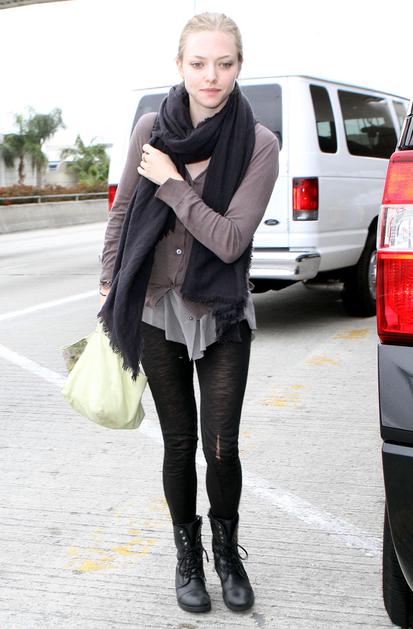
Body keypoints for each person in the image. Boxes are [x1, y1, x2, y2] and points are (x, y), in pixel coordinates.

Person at [98, 11, 279, 614]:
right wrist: (109, 283)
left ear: (239, 65)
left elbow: (229, 241)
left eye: (224, 64)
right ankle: (188, 559)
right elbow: (123, 213)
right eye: (198, 63)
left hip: (221, 311)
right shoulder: (151, 127)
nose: (211, 76)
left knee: (221, 445)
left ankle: (227, 554)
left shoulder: (258, 143)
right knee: (178, 444)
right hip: (156, 308)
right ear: (179, 65)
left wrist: (173, 183)